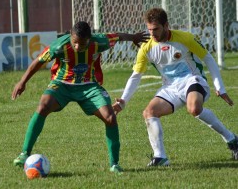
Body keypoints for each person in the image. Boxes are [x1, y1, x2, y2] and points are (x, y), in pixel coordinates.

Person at [11, 21, 149, 173]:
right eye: (75, 42)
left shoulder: (99, 42)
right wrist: (22, 82)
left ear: (89, 39)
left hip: (89, 85)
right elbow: (39, 61)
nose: (77, 46)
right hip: (62, 84)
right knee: (43, 106)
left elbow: (118, 36)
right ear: (70, 36)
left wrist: (134, 37)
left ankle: (114, 164)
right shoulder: (59, 46)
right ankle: (24, 153)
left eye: (82, 44)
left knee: (110, 117)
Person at [113, 8, 238, 166]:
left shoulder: (185, 38)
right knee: (149, 112)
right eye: (149, 29)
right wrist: (123, 101)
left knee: (194, 109)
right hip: (170, 87)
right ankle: (160, 157)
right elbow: (136, 76)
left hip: (193, 80)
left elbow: (208, 58)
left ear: (166, 25)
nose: (152, 34)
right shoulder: (146, 47)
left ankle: (231, 139)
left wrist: (220, 87)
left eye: (156, 29)